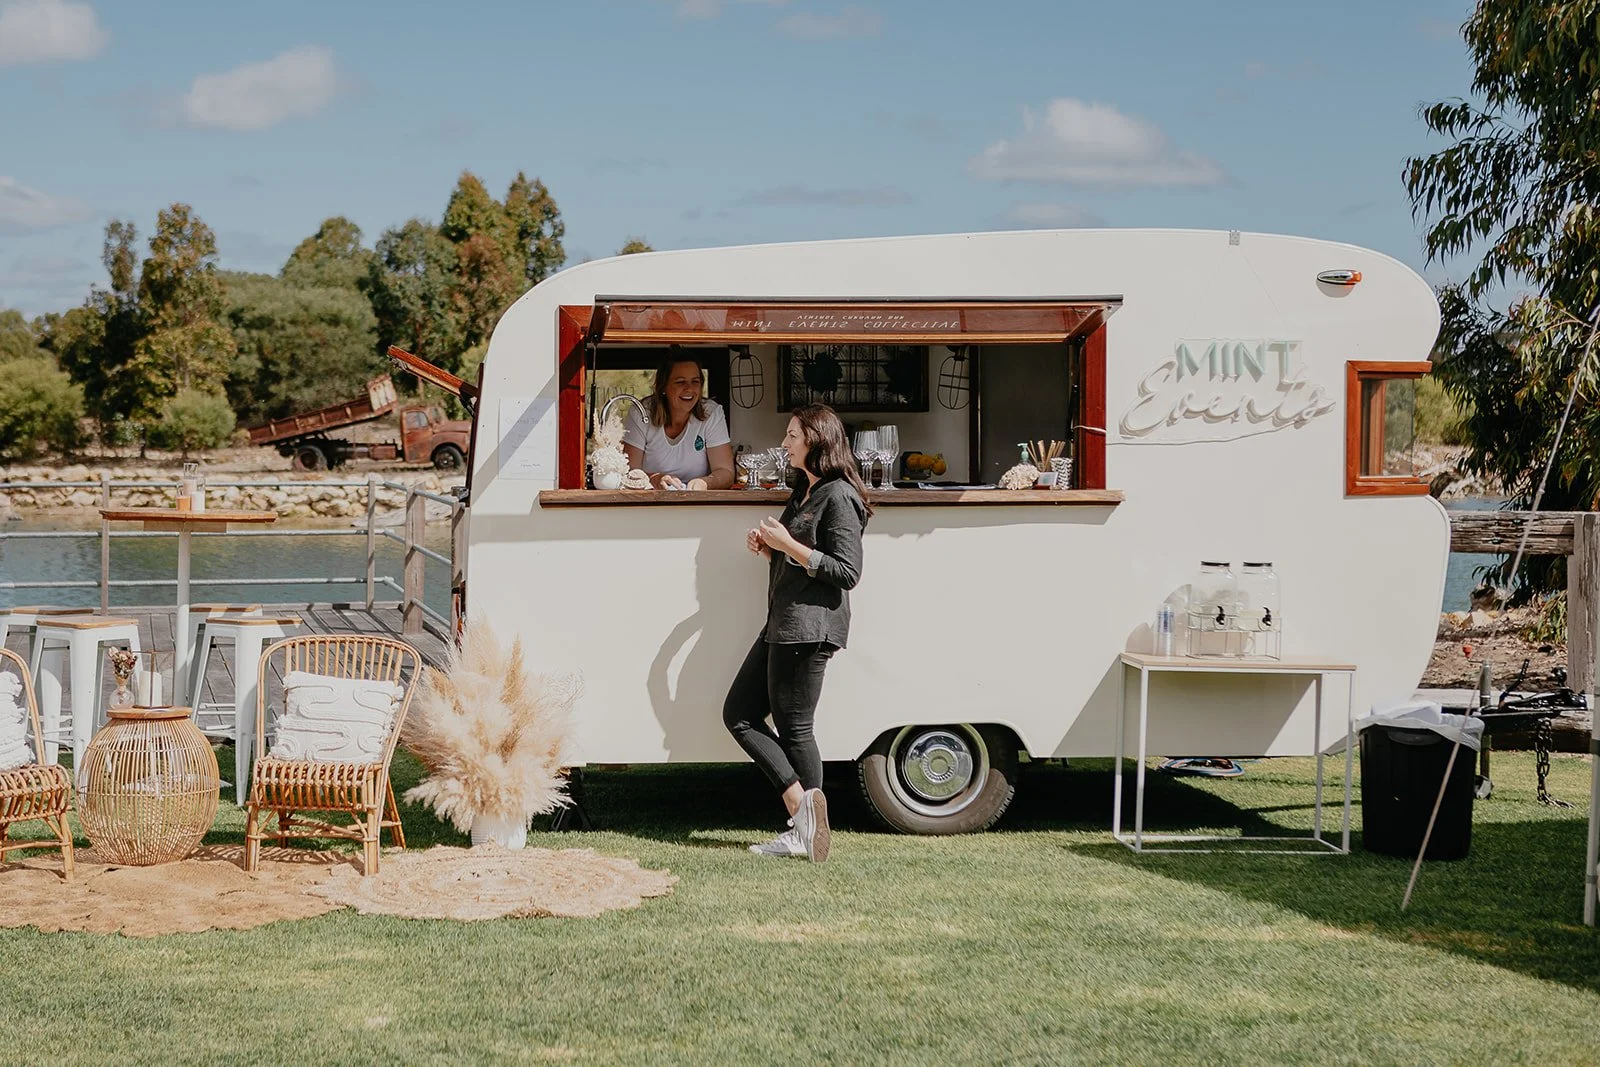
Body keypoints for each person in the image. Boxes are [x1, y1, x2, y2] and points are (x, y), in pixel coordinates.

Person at [723, 404, 871, 862]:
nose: (785, 444)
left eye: (791, 436)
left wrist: (788, 544)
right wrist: (771, 551)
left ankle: (804, 825)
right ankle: (802, 811)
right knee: (740, 714)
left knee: (796, 729)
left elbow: (847, 571)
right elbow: (802, 561)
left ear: (816, 441)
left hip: (809, 628)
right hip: (784, 622)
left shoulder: (839, 495)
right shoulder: (804, 492)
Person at [621, 353, 736, 489]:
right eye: (680, 382)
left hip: (697, 502)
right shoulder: (641, 412)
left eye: (695, 382)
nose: (689, 389)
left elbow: (726, 472)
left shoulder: (711, 412)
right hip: (651, 502)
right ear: (663, 387)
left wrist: (705, 483)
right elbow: (629, 472)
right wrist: (656, 479)